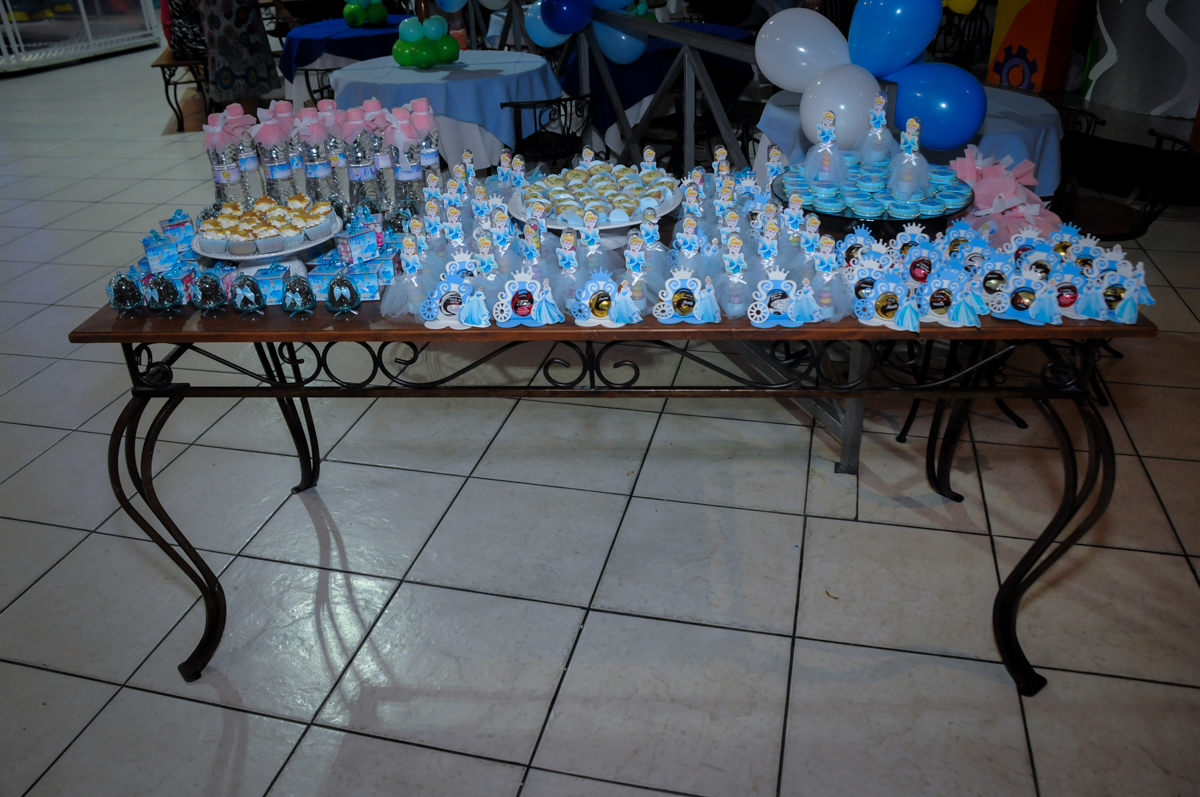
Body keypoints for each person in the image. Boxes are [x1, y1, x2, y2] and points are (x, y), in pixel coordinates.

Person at [195, 0, 292, 111]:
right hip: (219, 15)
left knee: (245, 72)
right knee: (236, 75)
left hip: (238, 15)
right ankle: (243, 118)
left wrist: (279, 6)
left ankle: (246, 119)